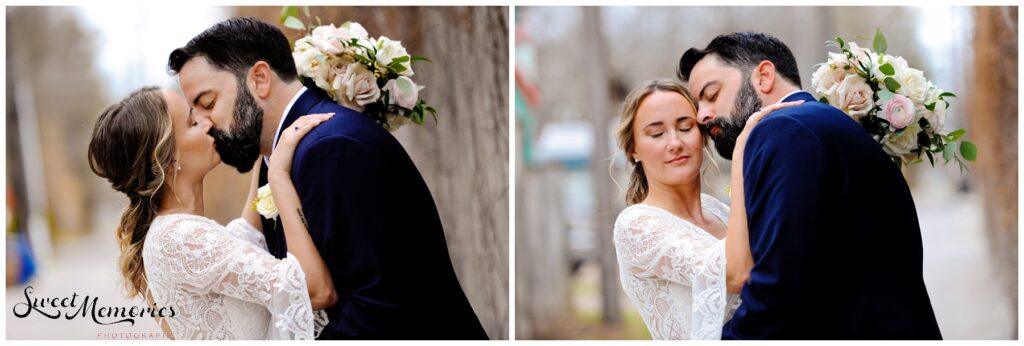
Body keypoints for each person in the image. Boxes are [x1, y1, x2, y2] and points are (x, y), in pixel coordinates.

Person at [167, 17, 487, 339]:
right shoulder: (275, 161)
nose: (205, 124)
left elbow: (378, 306)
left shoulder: (332, 149)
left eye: (207, 103)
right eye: (195, 114)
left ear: (260, 79)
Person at [678, 31, 942, 339]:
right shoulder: (826, 124)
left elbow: (779, 287)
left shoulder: (782, 130)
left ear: (763, 76)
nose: (702, 115)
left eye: (711, 95)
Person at [88, 86, 336, 339]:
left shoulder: (175, 233)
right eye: (193, 122)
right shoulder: (180, 238)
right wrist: (279, 177)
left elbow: (247, 229)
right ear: (168, 158)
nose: (208, 122)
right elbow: (316, 290)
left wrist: (266, 140)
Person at [612, 79, 800, 339]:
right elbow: (734, 274)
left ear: (701, 135)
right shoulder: (636, 225)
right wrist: (742, 151)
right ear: (633, 150)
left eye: (685, 127)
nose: (675, 142)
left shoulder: (718, 211)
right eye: (657, 133)